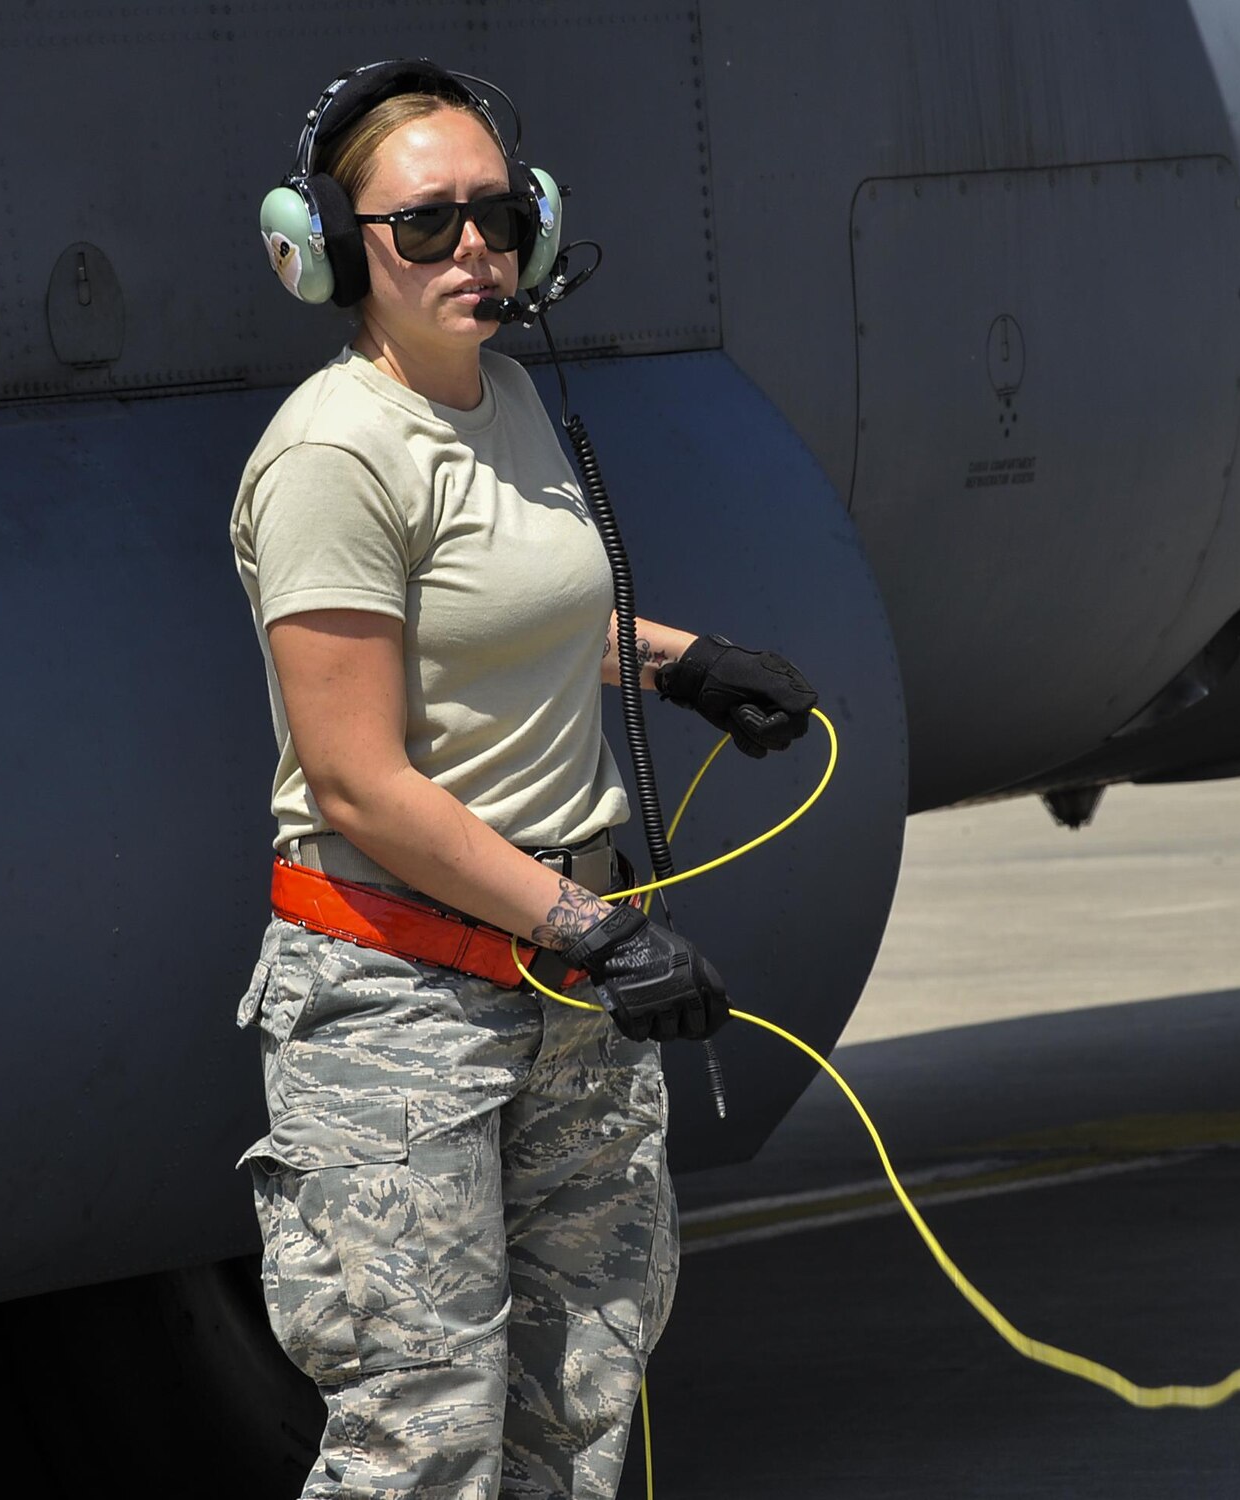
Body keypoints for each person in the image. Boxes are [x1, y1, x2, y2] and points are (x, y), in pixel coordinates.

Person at [229, 60, 815, 1498]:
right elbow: (359, 782)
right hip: (401, 1004)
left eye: (495, 217)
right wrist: (595, 928)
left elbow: (505, 620)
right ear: (330, 246)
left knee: (578, 1407)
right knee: (419, 1443)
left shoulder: (501, 400)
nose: (471, 250)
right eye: (424, 225)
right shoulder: (333, 454)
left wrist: (680, 662)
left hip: (563, 990)